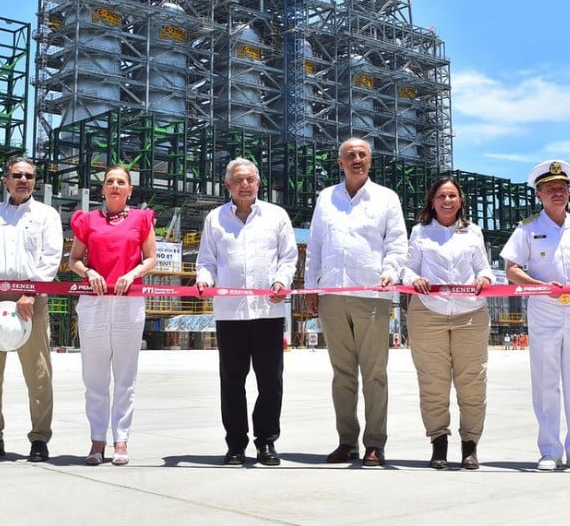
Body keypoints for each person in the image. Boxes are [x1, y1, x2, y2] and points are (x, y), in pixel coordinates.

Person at [305, 137, 408, 467]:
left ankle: (375, 443)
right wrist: (311, 289)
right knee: (342, 374)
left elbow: (397, 244)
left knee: (375, 373)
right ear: (340, 163)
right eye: (350, 155)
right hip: (333, 296)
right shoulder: (326, 198)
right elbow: (316, 247)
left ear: (371, 161)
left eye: (362, 155)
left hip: (372, 296)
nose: (357, 160)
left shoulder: (386, 199)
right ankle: (346, 440)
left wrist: (391, 272)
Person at [500, 160, 570, 472]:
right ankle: (550, 450)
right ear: (539, 194)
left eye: (562, 188)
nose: (558, 193)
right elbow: (511, 269)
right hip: (544, 310)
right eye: (551, 189)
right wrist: (538, 286)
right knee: (546, 381)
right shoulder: (528, 229)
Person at [195, 158, 298, 467]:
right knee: (232, 382)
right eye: (238, 180)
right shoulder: (215, 219)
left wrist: (282, 280)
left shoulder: (276, 216)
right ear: (228, 184)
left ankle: (266, 442)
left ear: (258, 183)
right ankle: (236, 445)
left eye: (250, 179)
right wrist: (204, 279)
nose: (245, 184)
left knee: (271, 382)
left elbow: (288, 257)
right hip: (230, 315)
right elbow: (206, 260)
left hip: (268, 311)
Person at [0, 157, 63, 463]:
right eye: (17, 175)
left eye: (29, 176)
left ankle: (39, 438)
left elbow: (51, 256)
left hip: (29, 299)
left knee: (38, 371)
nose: (23, 180)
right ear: (5, 179)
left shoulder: (47, 215)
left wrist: (32, 292)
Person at [402, 176, 494, 470]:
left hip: (470, 313)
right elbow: (407, 266)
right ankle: (438, 443)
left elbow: (483, 266)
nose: (447, 201)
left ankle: (470, 446)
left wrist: (485, 278)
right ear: (432, 200)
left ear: (460, 201)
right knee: (433, 382)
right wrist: (413, 279)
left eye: (453, 196)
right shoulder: (420, 232)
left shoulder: (472, 232)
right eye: (441, 196)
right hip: (429, 312)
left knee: (472, 382)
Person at [67, 166, 157, 466]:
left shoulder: (141, 219)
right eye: (110, 182)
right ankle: (96, 440)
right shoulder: (88, 220)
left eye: (121, 182)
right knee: (94, 377)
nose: (115, 186)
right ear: (102, 189)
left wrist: (132, 275)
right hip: (94, 302)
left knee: (125, 376)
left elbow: (150, 258)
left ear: (130, 190)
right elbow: (74, 260)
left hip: (128, 302)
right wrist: (88, 271)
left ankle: (121, 439)